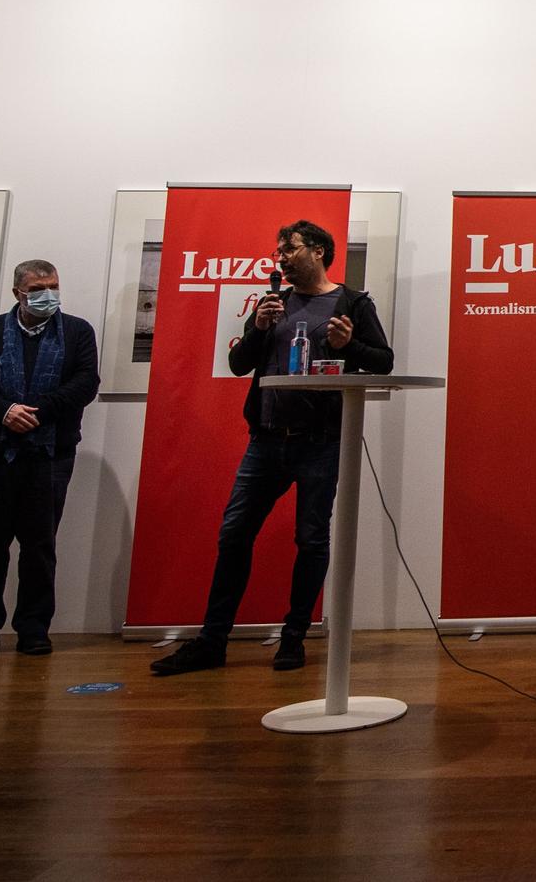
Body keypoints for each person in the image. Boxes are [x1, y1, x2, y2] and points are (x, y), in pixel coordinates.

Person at [151, 219, 393, 676]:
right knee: (234, 535)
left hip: (320, 444)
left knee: (311, 539)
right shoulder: (273, 302)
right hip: (264, 441)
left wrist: (350, 345)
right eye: (278, 250)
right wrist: (259, 329)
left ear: (318, 251)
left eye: (290, 248)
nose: (280, 257)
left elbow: (384, 362)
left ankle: (294, 638)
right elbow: (239, 364)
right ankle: (212, 641)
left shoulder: (353, 303)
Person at [0, 259, 101, 658]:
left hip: (50, 456)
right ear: (18, 293)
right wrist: (4, 411)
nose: (47, 295)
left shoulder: (78, 332)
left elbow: (86, 383)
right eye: (37, 289)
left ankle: (34, 629)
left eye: (53, 285)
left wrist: (36, 412)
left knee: (40, 546)